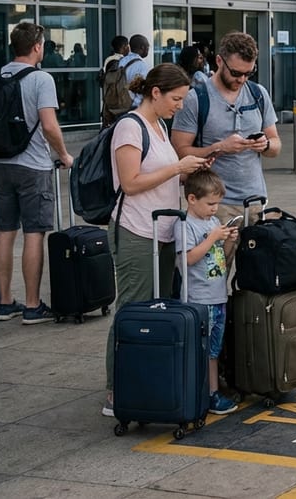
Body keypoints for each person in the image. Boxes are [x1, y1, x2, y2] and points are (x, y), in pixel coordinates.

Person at [102, 63, 211, 416]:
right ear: (156, 93)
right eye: (176, 99)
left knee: (158, 308)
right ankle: (116, 390)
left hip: (163, 233)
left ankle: (146, 378)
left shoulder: (160, 128)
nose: (179, 106)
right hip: (135, 231)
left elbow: (160, 177)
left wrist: (190, 170)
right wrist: (178, 168)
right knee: (133, 308)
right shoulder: (129, 127)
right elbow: (131, 182)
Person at [170, 31, 280, 268]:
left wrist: (265, 145)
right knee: (214, 276)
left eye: (248, 73)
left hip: (255, 201)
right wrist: (219, 147)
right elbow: (180, 152)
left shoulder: (258, 93)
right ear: (219, 61)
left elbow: (276, 145)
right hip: (215, 206)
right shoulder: (195, 99)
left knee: (257, 277)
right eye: (236, 73)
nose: (242, 79)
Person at [0, 22, 74, 324]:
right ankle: (31, 304)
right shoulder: (41, 79)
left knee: (5, 231)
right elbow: (49, 125)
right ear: (37, 46)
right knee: (34, 233)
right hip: (33, 165)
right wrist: (63, 155)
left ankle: (4, 302)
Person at [177, 170, 240, 414]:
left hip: (218, 295)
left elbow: (220, 256)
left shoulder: (212, 222)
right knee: (205, 350)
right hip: (199, 299)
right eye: (210, 204)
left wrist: (228, 239)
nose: (215, 209)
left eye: (217, 204)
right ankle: (206, 393)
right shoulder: (185, 224)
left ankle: (211, 392)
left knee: (214, 348)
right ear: (192, 199)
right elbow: (188, 259)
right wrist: (212, 237)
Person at [124, 34, 151, 108]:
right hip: (133, 106)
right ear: (142, 47)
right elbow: (143, 89)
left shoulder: (121, 61)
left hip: (118, 105)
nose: (148, 49)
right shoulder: (142, 65)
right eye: (148, 47)